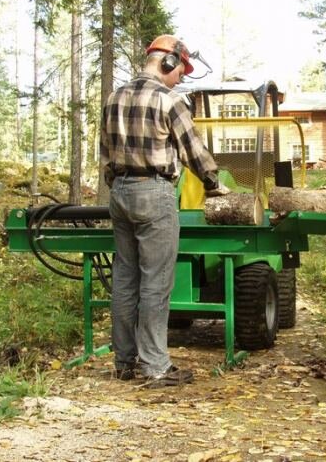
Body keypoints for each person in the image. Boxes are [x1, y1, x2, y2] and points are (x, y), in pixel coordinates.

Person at [99, 34, 230, 388]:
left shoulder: (114, 98)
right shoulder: (168, 100)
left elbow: (105, 153)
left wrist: (120, 183)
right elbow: (193, 151)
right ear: (167, 63)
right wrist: (214, 183)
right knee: (156, 284)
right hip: (154, 193)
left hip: (121, 193)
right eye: (180, 72)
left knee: (125, 281)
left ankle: (124, 362)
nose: (181, 79)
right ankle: (155, 366)